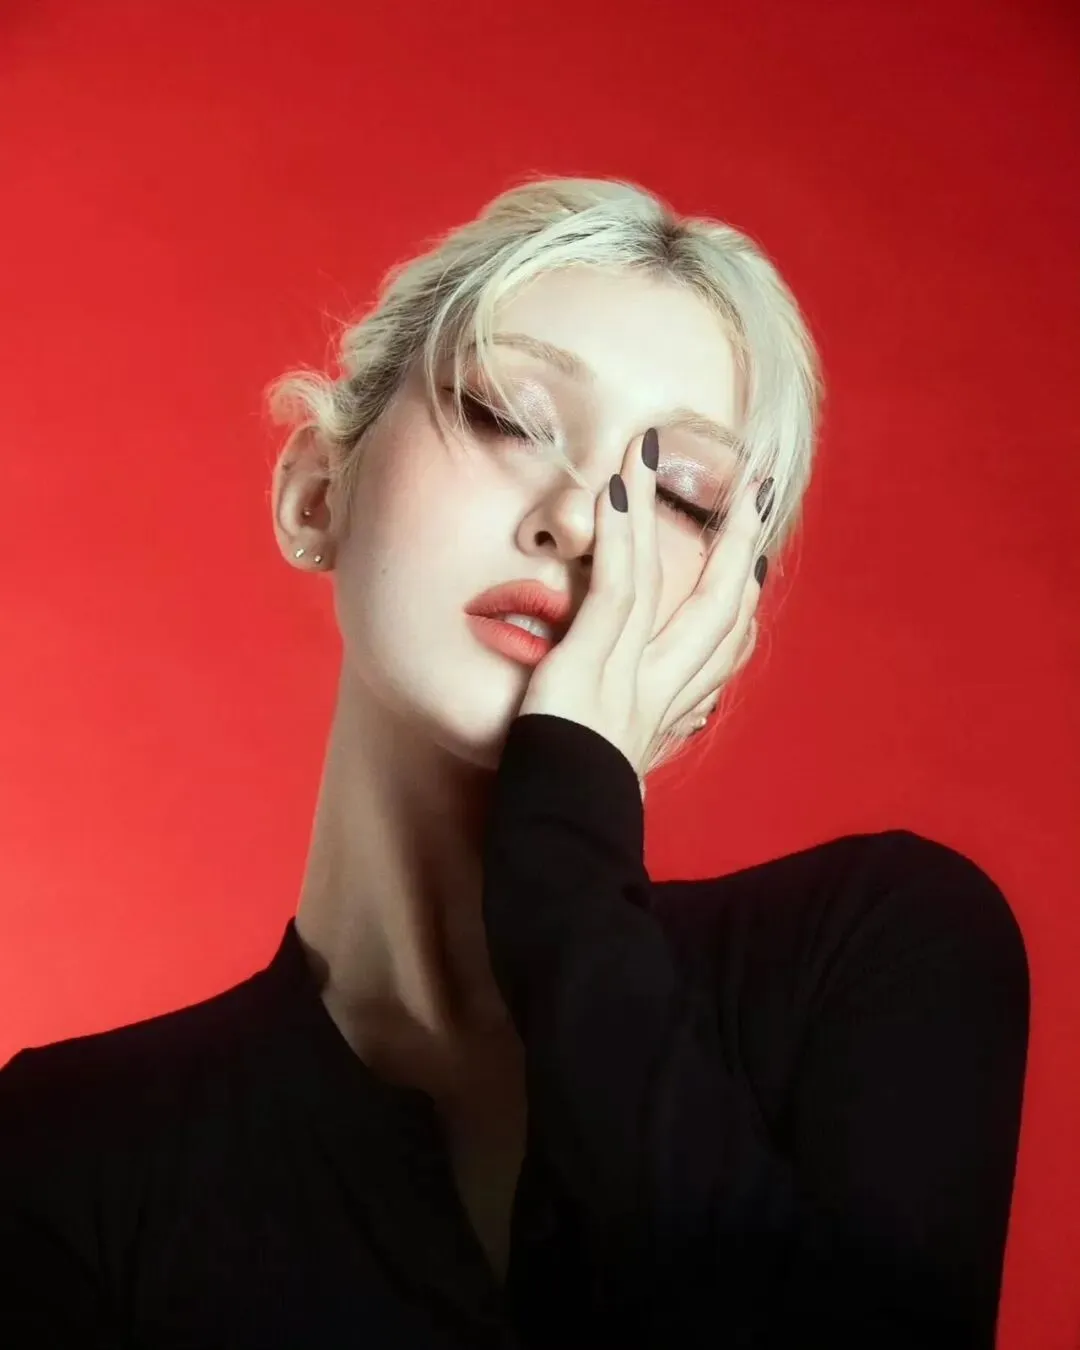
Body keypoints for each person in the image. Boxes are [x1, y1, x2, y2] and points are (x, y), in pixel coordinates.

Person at [0, 177, 1028, 1349]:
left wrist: (568, 855)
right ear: (319, 490)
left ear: (720, 642)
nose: (583, 523)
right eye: (508, 418)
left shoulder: (881, 956)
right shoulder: (61, 1153)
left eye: (681, 499)